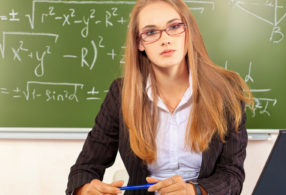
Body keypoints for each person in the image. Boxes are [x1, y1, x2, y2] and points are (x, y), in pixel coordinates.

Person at [66, 0, 253, 194]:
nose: (165, 39)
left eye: (174, 27)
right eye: (151, 32)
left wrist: (194, 191)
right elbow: (85, 169)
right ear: (139, 43)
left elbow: (232, 175)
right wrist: (84, 189)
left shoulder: (226, 90)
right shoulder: (121, 93)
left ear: (188, 31)